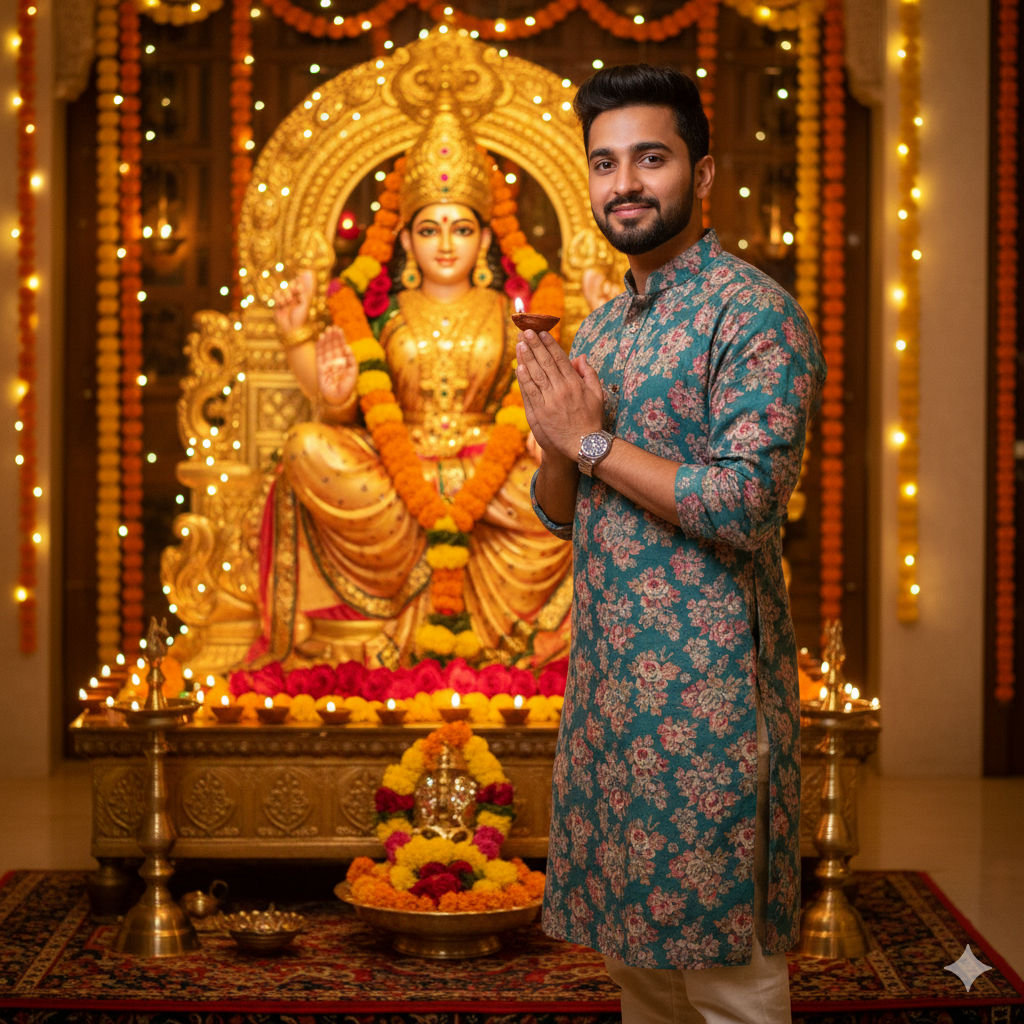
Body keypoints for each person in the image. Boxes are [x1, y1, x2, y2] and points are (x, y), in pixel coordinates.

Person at [517, 64, 826, 1023]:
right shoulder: (603, 327)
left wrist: (594, 440)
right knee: (637, 973)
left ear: (703, 172)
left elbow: (744, 502)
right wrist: (561, 442)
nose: (626, 184)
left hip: (712, 705)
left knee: (727, 977)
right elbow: (559, 511)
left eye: (650, 157)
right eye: (605, 164)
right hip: (611, 702)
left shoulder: (756, 315)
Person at [261, 99, 573, 667]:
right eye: (430, 229)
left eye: (461, 229)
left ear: (485, 240)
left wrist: (540, 438)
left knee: (568, 478)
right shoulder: (380, 312)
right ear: (405, 241)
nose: (446, 243)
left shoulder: (514, 311)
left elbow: (534, 402)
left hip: (492, 471)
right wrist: (313, 367)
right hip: (395, 465)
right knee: (306, 447)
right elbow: (342, 405)